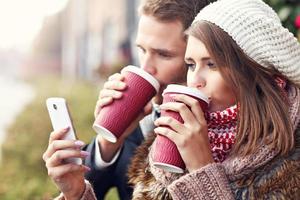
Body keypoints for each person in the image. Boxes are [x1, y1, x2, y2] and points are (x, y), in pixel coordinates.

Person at [42, 0, 211, 199]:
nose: (146, 67)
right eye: (141, 50)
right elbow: (92, 191)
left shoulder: (225, 128)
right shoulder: (135, 121)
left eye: (163, 54)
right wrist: (109, 142)